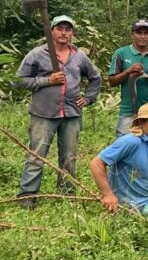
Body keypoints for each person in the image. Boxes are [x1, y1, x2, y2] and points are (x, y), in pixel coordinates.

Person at [15, 14, 102, 209]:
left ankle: (66, 194)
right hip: (43, 113)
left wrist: (88, 98)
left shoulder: (79, 56)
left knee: (69, 157)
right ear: (52, 31)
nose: (64, 33)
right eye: (60, 29)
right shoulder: (37, 54)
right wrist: (47, 81)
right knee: (37, 156)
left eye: (68, 29)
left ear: (72, 33)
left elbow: (96, 78)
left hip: (71, 113)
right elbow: (18, 80)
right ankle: (27, 195)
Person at [108, 18, 148, 136]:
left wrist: (146, 76)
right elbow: (112, 81)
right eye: (139, 33)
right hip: (129, 110)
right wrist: (128, 71)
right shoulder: (121, 53)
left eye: (146, 33)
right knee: (125, 146)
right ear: (132, 34)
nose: (143, 36)